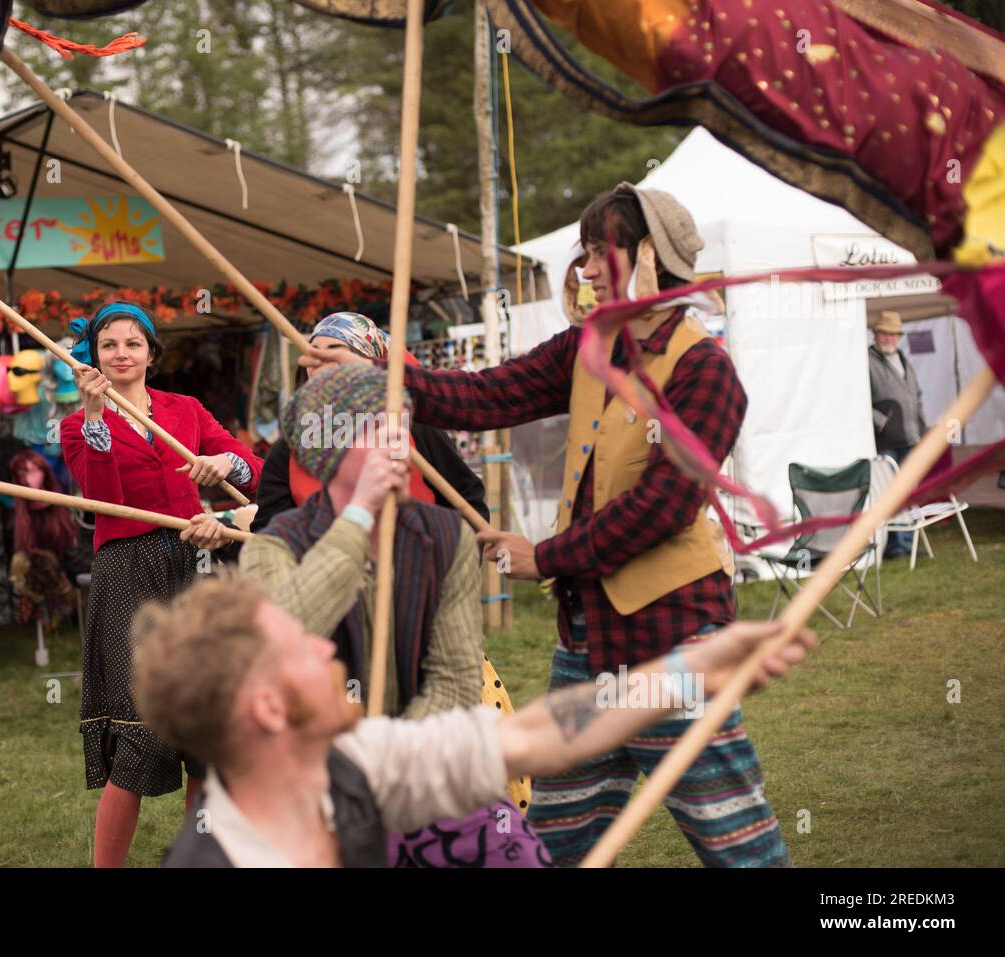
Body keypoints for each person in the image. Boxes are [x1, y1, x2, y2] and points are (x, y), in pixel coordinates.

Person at [303, 183, 790, 868]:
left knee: (738, 843)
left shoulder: (707, 371)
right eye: (584, 254)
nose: (586, 269)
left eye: (600, 252)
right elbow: (486, 394)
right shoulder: (590, 347)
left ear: (647, 257)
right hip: (586, 643)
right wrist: (378, 371)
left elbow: (663, 506)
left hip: (672, 638)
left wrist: (547, 556)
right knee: (559, 842)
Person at [134, 572, 816, 868]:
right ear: (269, 708)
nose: (326, 648)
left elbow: (534, 733)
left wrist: (692, 668)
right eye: (301, 647)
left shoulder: (358, 762)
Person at [241, 364, 544, 866]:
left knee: (516, 852)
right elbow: (286, 636)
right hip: (312, 779)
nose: (401, 447)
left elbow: (453, 682)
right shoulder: (273, 547)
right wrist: (358, 517)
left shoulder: (445, 538)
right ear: (329, 449)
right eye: (381, 432)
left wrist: (387, 767)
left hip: (418, 767)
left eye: (402, 429)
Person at [59, 301, 262, 868]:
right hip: (127, 571)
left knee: (201, 733)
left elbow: (258, 474)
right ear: (93, 355)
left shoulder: (186, 410)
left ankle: (195, 859)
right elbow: (102, 497)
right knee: (141, 731)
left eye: (132, 343)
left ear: (151, 352)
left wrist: (222, 463)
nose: (121, 354)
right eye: (109, 345)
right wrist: (96, 414)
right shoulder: (78, 425)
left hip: (195, 565)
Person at [250, 312, 487, 531]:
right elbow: (269, 530)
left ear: (368, 363)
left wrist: (450, 562)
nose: (320, 361)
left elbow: (467, 500)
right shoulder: (292, 444)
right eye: (313, 351)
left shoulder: (411, 426)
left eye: (335, 350)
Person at [868, 310, 927, 558]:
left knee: (909, 492)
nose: (889, 338)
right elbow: (859, 399)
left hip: (910, 438)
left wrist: (922, 429)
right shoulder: (867, 360)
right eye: (885, 333)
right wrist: (881, 422)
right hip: (887, 442)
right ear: (876, 333)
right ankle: (895, 546)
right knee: (890, 493)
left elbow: (916, 397)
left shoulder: (903, 359)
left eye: (894, 334)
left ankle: (909, 543)